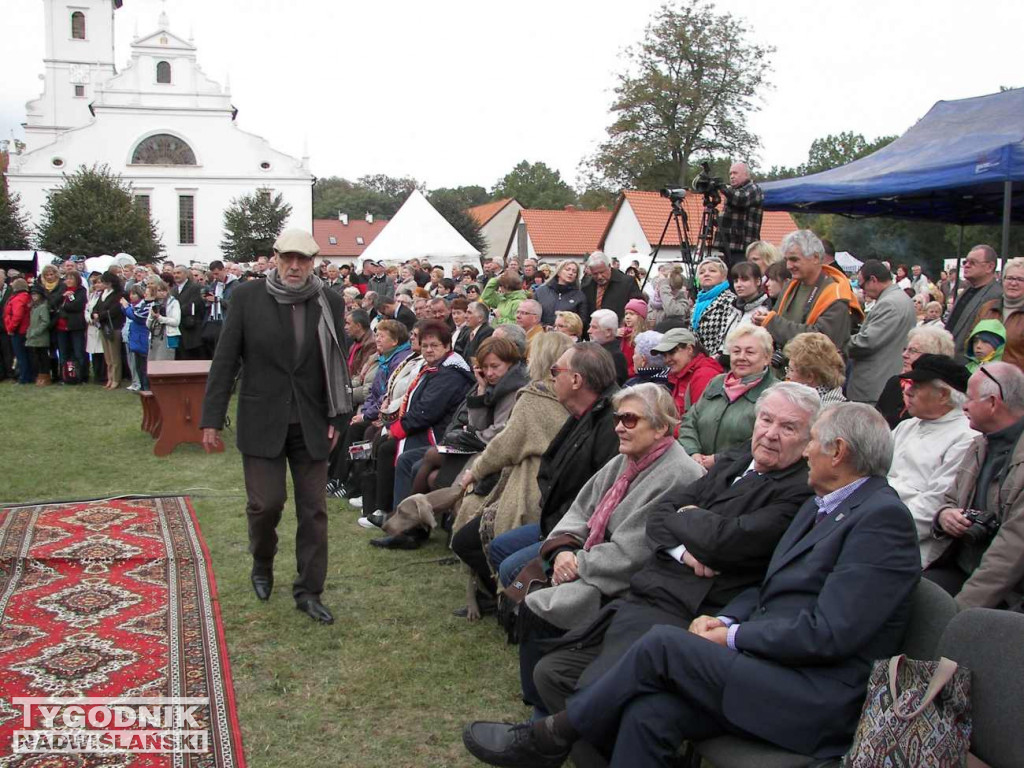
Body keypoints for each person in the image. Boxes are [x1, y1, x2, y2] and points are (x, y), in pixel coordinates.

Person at [463, 404, 921, 768]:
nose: (805, 452)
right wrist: (726, 618)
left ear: (838, 451)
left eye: (812, 442)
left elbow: (832, 632)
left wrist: (734, 636)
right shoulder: (824, 503)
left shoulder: (881, 521)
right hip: (772, 666)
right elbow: (770, 588)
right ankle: (552, 736)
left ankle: (549, 737)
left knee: (664, 645)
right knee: (649, 713)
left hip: (814, 695)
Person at [531, 382, 819, 717]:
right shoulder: (738, 460)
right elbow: (658, 518)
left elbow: (723, 541)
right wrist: (683, 549)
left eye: (788, 427)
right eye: (766, 420)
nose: (770, 434)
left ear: (809, 440)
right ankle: (553, 728)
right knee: (549, 669)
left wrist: (687, 516)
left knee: (582, 684)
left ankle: (553, 734)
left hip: (685, 607)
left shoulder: (799, 489)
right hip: (648, 589)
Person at [516, 383, 704, 713]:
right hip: (591, 561)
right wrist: (561, 551)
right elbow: (579, 510)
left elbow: (633, 553)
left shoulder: (679, 474)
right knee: (525, 591)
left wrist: (576, 562)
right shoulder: (626, 459)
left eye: (630, 420)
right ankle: (540, 704)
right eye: (618, 417)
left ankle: (543, 712)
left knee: (538, 605)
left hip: (623, 584)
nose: (618, 426)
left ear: (660, 426)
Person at [200, 228, 352, 625]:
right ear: (275, 257)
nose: (295, 266)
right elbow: (226, 360)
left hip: (313, 421)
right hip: (262, 418)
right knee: (266, 504)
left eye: (303, 259)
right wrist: (211, 419)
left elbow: (337, 363)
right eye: (288, 258)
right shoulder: (248, 298)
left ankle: (309, 590)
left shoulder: (328, 301)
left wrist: (338, 416)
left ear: (314, 262)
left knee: (314, 510)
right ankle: (262, 562)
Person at [451, 333, 575, 598]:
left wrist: (475, 471)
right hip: (555, 487)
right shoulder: (569, 395)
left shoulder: (535, 398)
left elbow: (504, 444)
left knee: (469, 537)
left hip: (531, 486)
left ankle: (501, 594)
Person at [492, 343, 622, 588]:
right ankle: (515, 606)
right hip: (557, 522)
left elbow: (601, 499)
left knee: (511, 568)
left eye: (555, 371)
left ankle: (534, 611)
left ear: (575, 380)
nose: (551, 379)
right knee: (499, 547)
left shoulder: (612, 424)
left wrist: (561, 539)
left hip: (577, 534)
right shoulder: (583, 414)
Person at [363, 320, 475, 540]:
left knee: (402, 455)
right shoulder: (434, 368)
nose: (429, 350)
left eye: (434, 345)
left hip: (440, 433)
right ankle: (389, 513)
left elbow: (427, 411)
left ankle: (401, 522)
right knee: (382, 441)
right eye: (425, 346)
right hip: (432, 427)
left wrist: (399, 428)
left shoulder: (450, 373)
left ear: (446, 347)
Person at [925, 362, 1024, 610]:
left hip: (1008, 594)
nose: (964, 405)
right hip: (960, 567)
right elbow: (949, 500)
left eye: (970, 398)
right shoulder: (979, 445)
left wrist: (959, 613)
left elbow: (1010, 554)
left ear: (992, 403)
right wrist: (945, 516)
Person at [889, 354, 976, 567]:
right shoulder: (907, 426)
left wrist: (880, 528)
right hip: (874, 517)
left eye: (917, 386)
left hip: (908, 541)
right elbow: (872, 472)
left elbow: (934, 505)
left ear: (943, 395)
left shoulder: (966, 438)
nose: (908, 391)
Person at [679, 325, 777, 470]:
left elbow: (765, 439)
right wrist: (693, 452)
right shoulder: (717, 382)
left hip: (737, 474)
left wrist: (718, 459)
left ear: (767, 358)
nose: (741, 357)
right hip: (696, 468)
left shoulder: (775, 393)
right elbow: (690, 419)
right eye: (736, 351)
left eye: (750, 352)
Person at [752, 230, 862, 355]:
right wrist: (764, 319)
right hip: (785, 370)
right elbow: (776, 318)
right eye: (786, 260)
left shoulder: (836, 296)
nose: (788, 266)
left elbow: (821, 342)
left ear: (815, 258)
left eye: (794, 259)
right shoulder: (790, 286)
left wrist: (772, 322)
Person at [846, 259, 918, 403]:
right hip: (883, 380)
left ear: (873, 280)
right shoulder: (900, 299)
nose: (862, 290)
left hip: (875, 385)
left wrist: (836, 343)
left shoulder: (889, 304)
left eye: (862, 285)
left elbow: (867, 342)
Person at [946, 244, 1002, 361]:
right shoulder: (967, 290)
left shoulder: (995, 295)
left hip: (967, 365)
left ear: (989, 267)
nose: (966, 266)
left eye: (972, 263)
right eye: (965, 262)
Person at [651, 327, 722, 417]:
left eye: (672, 352)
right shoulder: (682, 375)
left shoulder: (704, 376)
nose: (667, 360)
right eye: (664, 355)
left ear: (689, 349)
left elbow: (701, 421)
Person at [973, 256, 1024, 371]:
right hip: (985, 379)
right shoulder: (987, 308)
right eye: (1009, 278)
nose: (1013, 283)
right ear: (1002, 280)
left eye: (1020, 279)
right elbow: (971, 342)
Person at [714, 162, 764, 270]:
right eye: (730, 173)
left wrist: (722, 187)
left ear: (746, 174)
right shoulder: (732, 193)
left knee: (740, 277)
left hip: (743, 248)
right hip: (728, 246)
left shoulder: (754, 189)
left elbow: (741, 199)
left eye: (735, 173)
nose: (732, 176)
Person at [718, 260, 771, 363]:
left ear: (758, 281)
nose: (738, 285)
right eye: (736, 281)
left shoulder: (763, 310)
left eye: (745, 280)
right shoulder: (734, 308)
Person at [580, 251, 643, 327]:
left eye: (602, 272)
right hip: (594, 333)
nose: (599, 277)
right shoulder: (587, 286)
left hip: (620, 332)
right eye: (595, 274)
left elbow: (638, 309)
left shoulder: (627, 283)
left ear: (609, 266)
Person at [783, 332, 847, 405]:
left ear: (809, 377)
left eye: (791, 370)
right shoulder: (806, 400)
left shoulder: (826, 412)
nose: (787, 376)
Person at [689, 258, 736, 355]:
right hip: (699, 360)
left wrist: (716, 358)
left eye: (712, 271)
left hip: (718, 360)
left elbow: (727, 336)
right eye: (701, 272)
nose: (706, 274)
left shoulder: (730, 300)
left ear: (723, 277)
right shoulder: (697, 303)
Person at [91, 272, 125, 389]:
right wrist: (94, 313)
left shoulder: (118, 294)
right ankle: (110, 378)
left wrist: (99, 316)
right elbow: (97, 306)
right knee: (108, 356)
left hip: (113, 326)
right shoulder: (103, 294)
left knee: (114, 355)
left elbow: (114, 310)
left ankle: (116, 379)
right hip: (103, 326)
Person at [55, 270, 88, 384]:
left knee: (78, 352)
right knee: (63, 353)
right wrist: (63, 297)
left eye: (71, 278)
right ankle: (64, 376)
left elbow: (76, 306)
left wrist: (67, 301)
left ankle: (81, 376)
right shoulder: (62, 290)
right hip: (61, 327)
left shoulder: (81, 291)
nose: (68, 281)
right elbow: (54, 303)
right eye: (66, 278)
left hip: (75, 326)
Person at [535, 260, 587, 327]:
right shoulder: (541, 291)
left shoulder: (579, 296)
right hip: (543, 334)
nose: (571, 273)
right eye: (567, 269)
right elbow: (533, 315)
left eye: (574, 272)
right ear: (558, 272)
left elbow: (582, 321)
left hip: (566, 335)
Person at [171, 264, 205, 360]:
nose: (176, 275)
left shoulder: (195, 288)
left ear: (186, 274)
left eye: (178, 273)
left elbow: (194, 305)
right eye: (174, 273)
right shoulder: (173, 290)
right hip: (178, 331)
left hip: (191, 331)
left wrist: (176, 311)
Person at [587, 309, 629, 385]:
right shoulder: (594, 350)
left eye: (594, 327)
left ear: (608, 332)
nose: (589, 331)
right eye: (590, 326)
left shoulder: (615, 356)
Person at [3, 279, 32, 384]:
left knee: (21, 355)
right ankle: (29, 376)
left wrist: (11, 328)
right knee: (27, 355)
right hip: (25, 330)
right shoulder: (26, 297)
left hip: (18, 331)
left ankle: (23, 378)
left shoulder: (18, 299)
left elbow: (17, 315)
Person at [146, 280, 181, 362]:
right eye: (159, 290)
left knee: (164, 363)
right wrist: (152, 316)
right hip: (154, 336)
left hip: (167, 336)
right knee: (152, 363)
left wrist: (160, 318)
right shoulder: (153, 304)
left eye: (164, 290)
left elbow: (176, 321)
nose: (162, 293)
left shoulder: (173, 303)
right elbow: (148, 325)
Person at [25, 288, 52, 386]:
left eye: (36, 295)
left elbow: (45, 321)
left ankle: (45, 376)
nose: (34, 296)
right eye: (32, 295)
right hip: (34, 335)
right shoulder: (33, 307)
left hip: (41, 336)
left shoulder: (43, 307)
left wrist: (36, 331)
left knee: (43, 357)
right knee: (38, 357)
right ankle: (40, 376)